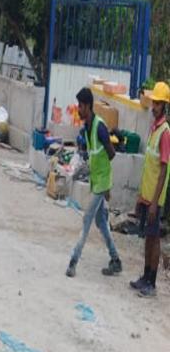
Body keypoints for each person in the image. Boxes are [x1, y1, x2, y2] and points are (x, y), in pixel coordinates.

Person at [66, 87, 121, 277]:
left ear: (88, 106)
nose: (78, 109)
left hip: (101, 182)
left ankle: (73, 262)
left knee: (87, 218)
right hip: (97, 181)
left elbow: (111, 153)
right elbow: (94, 156)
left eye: (80, 106)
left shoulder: (99, 127)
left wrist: (105, 181)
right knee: (101, 222)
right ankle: (115, 259)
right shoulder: (87, 129)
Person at [130, 80, 170, 297]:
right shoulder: (154, 129)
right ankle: (145, 276)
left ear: (164, 105)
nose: (153, 106)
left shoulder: (165, 133)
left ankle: (151, 283)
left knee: (154, 240)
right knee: (148, 237)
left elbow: (164, 170)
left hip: (155, 198)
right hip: (146, 196)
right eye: (153, 102)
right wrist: (141, 196)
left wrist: (155, 201)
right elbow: (149, 167)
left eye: (156, 103)